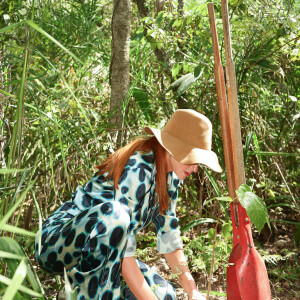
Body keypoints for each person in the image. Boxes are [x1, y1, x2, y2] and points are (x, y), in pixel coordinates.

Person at [35, 109, 222, 300]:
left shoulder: (170, 179)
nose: (196, 168)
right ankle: (82, 293)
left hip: (101, 252)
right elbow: (123, 250)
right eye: (193, 158)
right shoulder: (138, 166)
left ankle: (73, 292)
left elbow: (169, 240)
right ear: (173, 148)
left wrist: (193, 291)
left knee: (165, 294)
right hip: (56, 244)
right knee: (116, 215)